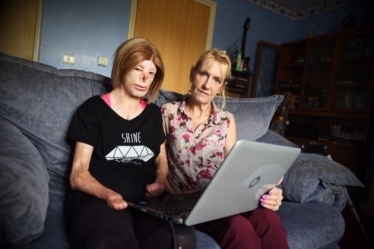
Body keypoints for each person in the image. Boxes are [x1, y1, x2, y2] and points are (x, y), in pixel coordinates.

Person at [161, 49, 289, 249]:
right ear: (192, 74)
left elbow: (235, 168)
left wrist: (270, 189)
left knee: (269, 220)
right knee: (237, 226)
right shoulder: (168, 113)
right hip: (187, 202)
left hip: (223, 195)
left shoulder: (226, 120)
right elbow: (157, 162)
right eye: (203, 74)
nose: (206, 84)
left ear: (221, 86)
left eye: (215, 79)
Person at [65, 37, 173, 249]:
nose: (145, 78)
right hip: (97, 199)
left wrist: (160, 182)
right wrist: (109, 195)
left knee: (167, 240)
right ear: (123, 66)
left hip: (144, 204)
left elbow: (162, 162)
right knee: (109, 241)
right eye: (138, 69)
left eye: (151, 73)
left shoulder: (153, 114)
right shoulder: (93, 109)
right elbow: (77, 175)